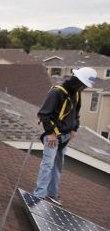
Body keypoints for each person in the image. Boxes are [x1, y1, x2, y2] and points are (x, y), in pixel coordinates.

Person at [33, 67, 97, 205]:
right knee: (47, 165)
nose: (84, 88)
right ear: (78, 81)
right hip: (53, 136)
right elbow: (44, 114)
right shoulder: (57, 92)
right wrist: (50, 134)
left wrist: (74, 128)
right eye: (84, 85)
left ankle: (52, 194)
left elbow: (76, 113)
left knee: (57, 166)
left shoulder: (77, 94)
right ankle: (39, 195)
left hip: (65, 136)